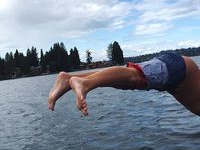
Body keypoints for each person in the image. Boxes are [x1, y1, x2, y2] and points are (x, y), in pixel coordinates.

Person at [48, 52, 200, 116]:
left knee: (125, 81)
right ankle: (85, 83)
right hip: (180, 70)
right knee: (135, 77)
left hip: (176, 75)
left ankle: (69, 79)